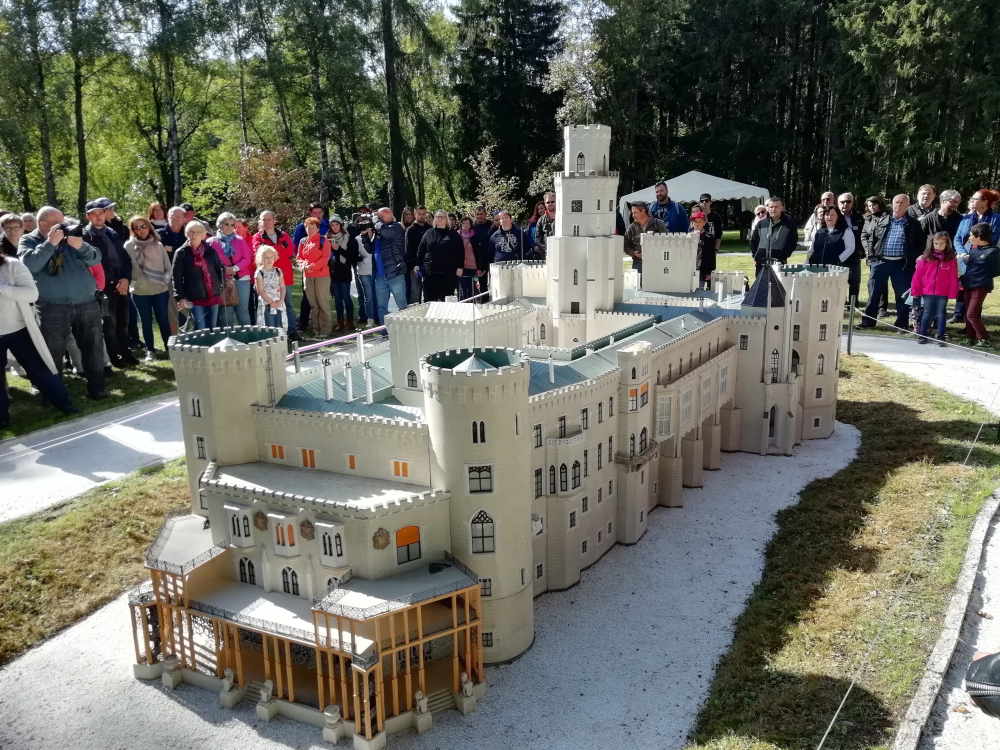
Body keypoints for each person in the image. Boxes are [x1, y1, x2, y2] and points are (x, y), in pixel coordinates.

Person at [19, 206, 106, 399]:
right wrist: (49, 244)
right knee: (52, 353)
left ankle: (97, 388)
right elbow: (29, 265)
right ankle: (55, 394)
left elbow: (96, 258)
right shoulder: (29, 240)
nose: (65, 226)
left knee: (93, 347)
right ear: (44, 225)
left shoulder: (71, 236)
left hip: (87, 303)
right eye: (60, 223)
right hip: (52, 307)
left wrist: (81, 247)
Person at [0, 251, 78, 428]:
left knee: (40, 371)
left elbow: (31, 294)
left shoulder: (13, 265)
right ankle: (2, 419)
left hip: (19, 330)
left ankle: (64, 404)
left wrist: (2, 288)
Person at [83, 199, 136, 368]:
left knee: (123, 322)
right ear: (88, 217)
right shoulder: (85, 237)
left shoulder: (112, 233)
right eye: (94, 214)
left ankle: (126, 352)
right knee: (109, 324)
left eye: (101, 213)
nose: (99, 217)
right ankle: (114, 356)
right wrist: (114, 281)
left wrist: (126, 278)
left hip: (122, 284)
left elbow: (125, 258)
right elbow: (92, 264)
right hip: (104, 287)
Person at [860, 194, 923, 330]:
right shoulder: (883, 220)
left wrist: (913, 259)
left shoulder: (913, 223)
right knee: (874, 294)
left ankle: (901, 325)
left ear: (907, 205)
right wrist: (872, 258)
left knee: (902, 296)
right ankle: (868, 322)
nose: (898, 205)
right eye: (896, 202)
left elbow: (920, 244)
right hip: (880, 262)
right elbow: (872, 240)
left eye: (901, 203)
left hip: (901, 264)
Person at [123, 215, 172, 361]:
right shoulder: (128, 246)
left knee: (163, 320)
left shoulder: (158, 244)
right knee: (145, 322)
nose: (141, 230)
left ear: (148, 226)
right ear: (133, 230)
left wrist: (164, 279)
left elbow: (168, 268)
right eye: (137, 227)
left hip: (160, 290)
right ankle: (150, 351)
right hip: (140, 291)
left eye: (143, 226)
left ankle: (169, 349)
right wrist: (134, 281)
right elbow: (125, 268)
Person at [953, 190, 1000, 324]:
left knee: (976, 291)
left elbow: (993, 239)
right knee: (964, 288)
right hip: (964, 257)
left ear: (985, 202)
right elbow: (957, 238)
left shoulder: (996, 218)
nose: (972, 200)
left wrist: (974, 254)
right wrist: (962, 253)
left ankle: (973, 324)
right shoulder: (966, 218)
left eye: (975, 198)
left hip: (981, 259)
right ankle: (960, 317)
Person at [251, 211, 298, 338]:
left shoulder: (284, 235)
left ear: (274, 220)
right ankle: (271, 333)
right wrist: (280, 247)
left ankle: (291, 330)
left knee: (287, 304)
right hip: (266, 278)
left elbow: (289, 252)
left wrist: (272, 248)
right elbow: (259, 253)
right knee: (268, 305)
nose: (266, 222)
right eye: (263, 220)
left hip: (283, 275)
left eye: (269, 219)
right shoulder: (257, 237)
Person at [172, 220, 224, 330]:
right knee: (200, 328)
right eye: (191, 232)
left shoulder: (210, 250)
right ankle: (202, 347)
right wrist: (180, 297)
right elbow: (176, 277)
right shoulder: (181, 253)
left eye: (198, 232)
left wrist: (220, 285)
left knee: (212, 327)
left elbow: (219, 269)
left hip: (213, 296)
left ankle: (212, 347)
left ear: (204, 235)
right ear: (187, 234)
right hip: (194, 297)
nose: (194, 235)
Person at [909, 231, 957, 346]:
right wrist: (915, 290)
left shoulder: (951, 259)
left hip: (943, 292)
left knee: (941, 313)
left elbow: (953, 277)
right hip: (928, 291)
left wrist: (952, 292)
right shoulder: (926, 258)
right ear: (932, 243)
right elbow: (918, 275)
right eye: (936, 243)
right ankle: (923, 334)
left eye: (942, 243)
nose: (939, 246)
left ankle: (941, 336)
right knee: (927, 312)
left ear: (947, 244)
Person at [958, 223, 1000, 347]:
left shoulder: (993, 251)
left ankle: (984, 339)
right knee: (968, 313)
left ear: (980, 237)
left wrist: (983, 276)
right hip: (967, 285)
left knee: (972, 314)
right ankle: (970, 338)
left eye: (971, 235)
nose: (969, 238)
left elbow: (996, 270)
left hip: (980, 286)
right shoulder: (973, 249)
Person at [210, 212, 252, 327]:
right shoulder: (211, 242)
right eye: (226, 224)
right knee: (226, 311)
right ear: (220, 225)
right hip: (222, 280)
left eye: (232, 224)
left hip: (241, 278)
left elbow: (247, 258)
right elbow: (210, 262)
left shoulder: (240, 240)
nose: (229, 227)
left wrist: (234, 268)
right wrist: (223, 269)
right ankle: (228, 340)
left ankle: (248, 338)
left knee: (243, 310)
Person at [293, 203, 329, 333]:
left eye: (320, 212)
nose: (318, 215)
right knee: (310, 301)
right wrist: (303, 265)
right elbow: (297, 253)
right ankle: (310, 326)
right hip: (307, 273)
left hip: (323, 271)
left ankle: (325, 328)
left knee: (323, 301)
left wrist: (312, 266)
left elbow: (326, 256)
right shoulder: (302, 235)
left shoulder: (326, 233)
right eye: (315, 213)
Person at [414, 210, 464, 302]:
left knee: (446, 300)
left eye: (442, 217)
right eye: (437, 217)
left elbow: (460, 252)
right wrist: (417, 264)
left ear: (446, 220)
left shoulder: (453, 234)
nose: (439, 219)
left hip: (448, 273)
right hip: (431, 273)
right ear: (434, 219)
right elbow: (421, 250)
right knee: (430, 300)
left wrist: (460, 267)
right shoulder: (429, 233)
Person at [373, 207, 408, 325]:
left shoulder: (395, 227)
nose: (381, 215)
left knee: (402, 304)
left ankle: (405, 329)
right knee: (381, 306)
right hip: (380, 275)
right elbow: (369, 248)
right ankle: (384, 330)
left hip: (395, 273)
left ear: (391, 214)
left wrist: (376, 219)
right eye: (379, 214)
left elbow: (385, 231)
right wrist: (365, 235)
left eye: (384, 213)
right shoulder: (377, 230)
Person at [749, 196, 798, 276]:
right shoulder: (761, 224)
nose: (773, 209)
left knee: (777, 287)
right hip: (761, 264)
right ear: (767, 208)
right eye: (771, 207)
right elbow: (753, 241)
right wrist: (756, 255)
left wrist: (784, 255)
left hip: (778, 263)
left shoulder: (789, 223)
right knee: (760, 287)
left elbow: (792, 242)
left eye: (776, 207)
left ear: (782, 208)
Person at [327, 214, 355, 331]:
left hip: (344, 271)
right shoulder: (326, 237)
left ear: (340, 225)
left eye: (336, 224)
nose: (334, 227)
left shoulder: (348, 237)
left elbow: (351, 257)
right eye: (332, 225)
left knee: (346, 297)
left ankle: (350, 322)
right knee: (337, 299)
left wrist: (338, 249)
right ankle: (340, 321)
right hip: (332, 272)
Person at [623, 201, 667, 274]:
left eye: (635, 213)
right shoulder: (631, 228)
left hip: (657, 263)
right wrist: (633, 253)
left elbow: (667, 242)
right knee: (638, 285)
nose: (632, 215)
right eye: (632, 213)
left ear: (643, 211)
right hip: (638, 264)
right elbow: (625, 245)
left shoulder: (659, 224)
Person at [837, 193, 865, 301]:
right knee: (839, 281)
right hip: (839, 254)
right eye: (842, 202)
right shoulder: (834, 215)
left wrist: (861, 251)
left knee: (854, 282)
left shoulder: (859, 217)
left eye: (848, 202)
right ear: (837, 203)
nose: (845, 204)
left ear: (852, 203)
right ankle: (841, 303)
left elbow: (864, 233)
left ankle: (854, 304)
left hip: (854, 255)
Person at [253, 245, 286, 329]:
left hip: (279, 304)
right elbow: (260, 290)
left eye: (271, 257)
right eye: (266, 257)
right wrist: (271, 303)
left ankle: (281, 341)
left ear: (275, 257)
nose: (269, 259)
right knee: (270, 328)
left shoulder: (278, 271)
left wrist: (280, 301)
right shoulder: (259, 272)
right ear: (261, 258)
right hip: (267, 305)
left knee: (279, 327)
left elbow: (282, 287)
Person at [405, 205, 431, 304]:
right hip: (415, 266)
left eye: (423, 214)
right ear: (415, 214)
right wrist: (412, 266)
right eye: (419, 214)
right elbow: (408, 250)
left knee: (428, 291)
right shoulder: (410, 230)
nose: (421, 216)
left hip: (428, 265)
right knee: (415, 292)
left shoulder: (430, 229)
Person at [354, 218, 377, 324]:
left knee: (377, 295)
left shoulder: (377, 239)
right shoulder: (357, 239)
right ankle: (370, 318)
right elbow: (353, 254)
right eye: (363, 227)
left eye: (368, 227)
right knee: (368, 296)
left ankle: (378, 317)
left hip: (376, 272)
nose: (366, 229)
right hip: (364, 271)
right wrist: (359, 257)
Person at [458, 216, 487, 299]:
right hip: (461, 267)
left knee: (472, 291)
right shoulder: (456, 236)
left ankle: (472, 308)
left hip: (472, 267)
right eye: (463, 223)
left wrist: (480, 268)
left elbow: (479, 254)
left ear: (471, 225)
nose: (465, 225)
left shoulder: (474, 237)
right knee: (462, 290)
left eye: (467, 223)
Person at [689, 210, 715, 289]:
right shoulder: (687, 236)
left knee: (699, 289)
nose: (697, 224)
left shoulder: (709, 237)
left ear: (704, 223)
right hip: (690, 269)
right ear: (692, 223)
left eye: (700, 221)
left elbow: (711, 256)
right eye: (695, 221)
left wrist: (711, 271)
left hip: (702, 269)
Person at [535, 192, 556, 259]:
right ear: (545, 204)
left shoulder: (563, 218)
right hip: (546, 254)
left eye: (552, 201)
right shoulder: (541, 220)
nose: (550, 204)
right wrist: (546, 248)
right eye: (548, 202)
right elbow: (538, 239)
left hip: (561, 251)